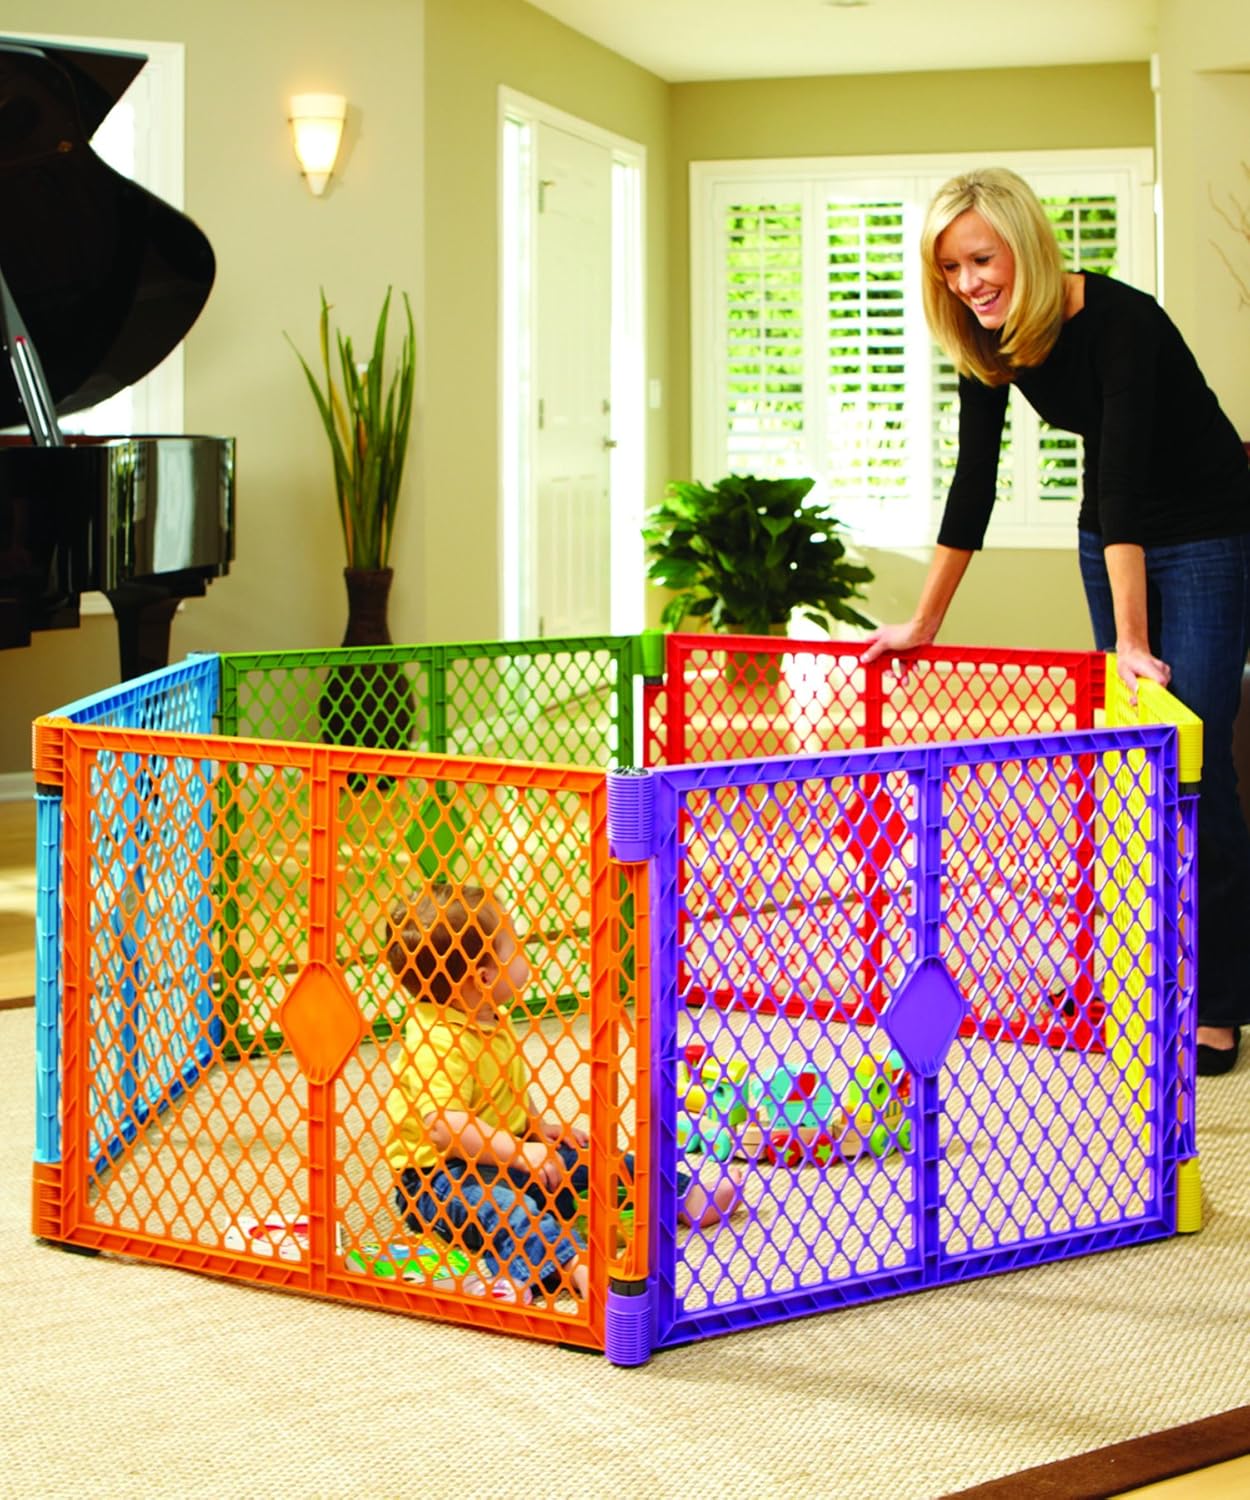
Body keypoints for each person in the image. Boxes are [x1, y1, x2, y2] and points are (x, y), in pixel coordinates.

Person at [861, 166, 1250, 1076]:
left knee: (1194, 759)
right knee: (1131, 763)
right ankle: (1133, 972)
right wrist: (924, 622)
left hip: (1205, 529)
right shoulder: (990, 337)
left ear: (1026, 246)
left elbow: (1123, 485)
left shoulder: (1123, 322)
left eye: (981, 260)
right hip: (1110, 535)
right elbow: (974, 481)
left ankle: (1221, 999)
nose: (968, 283)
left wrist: (1131, 643)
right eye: (950, 268)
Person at [382, 881, 740, 1304]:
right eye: (513, 945)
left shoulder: (484, 1013)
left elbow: (503, 1088)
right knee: (509, 1211)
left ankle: (681, 1194)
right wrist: (520, 1153)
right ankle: (571, 1264)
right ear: (484, 976)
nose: (525, 952)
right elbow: (444, 1128)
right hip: (437, 1181)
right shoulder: (436, 1040)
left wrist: (535, 1128)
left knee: (595, 1159)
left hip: (504, 1151)